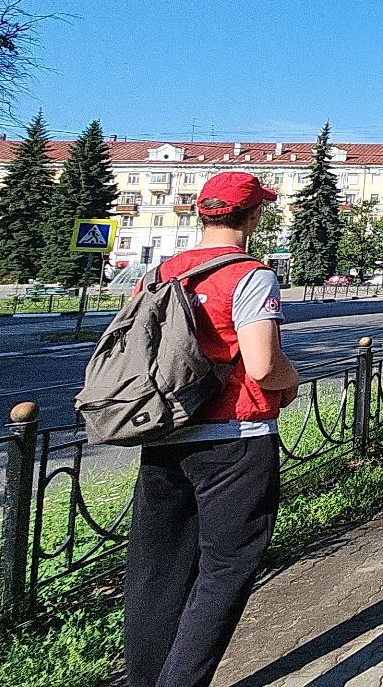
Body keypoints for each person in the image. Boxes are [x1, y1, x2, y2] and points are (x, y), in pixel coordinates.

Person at [123, 171, 300, 687]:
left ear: (202, 213)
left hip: (164, 433)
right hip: (235, 440)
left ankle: (146, 679)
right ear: (253, 216)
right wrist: (293, 380)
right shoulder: (251, 274)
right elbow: (264, 365)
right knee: (224, 570)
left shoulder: (158, 273)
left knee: (157, 571)